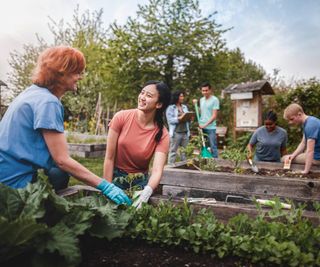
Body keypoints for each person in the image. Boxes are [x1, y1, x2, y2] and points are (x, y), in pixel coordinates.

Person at [0, 46, 131, 205]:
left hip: (4, 170)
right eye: (77, 72)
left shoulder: (31, 93)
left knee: (58, 173)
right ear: (61, 72)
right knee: (60, 172)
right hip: (13, 186)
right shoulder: (48, 102)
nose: (80, 77)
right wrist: (105, 185)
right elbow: (62, 159)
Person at [103, 80, 171, 208]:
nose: (142, 97)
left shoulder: (162, 134)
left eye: (149, 96)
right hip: (115, 176)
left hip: (139, 182)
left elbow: (157, 170)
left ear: (159, 104)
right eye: (142, 93)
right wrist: (108, 187)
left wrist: (147, 191)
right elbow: (109, 158)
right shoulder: (121, 117)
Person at [283, 103, 320, 174]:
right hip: (316, 154)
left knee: (283, 159)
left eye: (292, 119)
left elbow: (310, 151)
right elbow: (303, 143)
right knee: (289, 157)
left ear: (299, 114)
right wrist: (293, 155)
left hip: (317, 158)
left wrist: (305, 171)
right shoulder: (309, 122)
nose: (291, 122)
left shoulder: (310, 126)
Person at [194, 82, 220, 158]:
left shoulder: (215, 100)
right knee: (202, 146)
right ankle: (204, 163)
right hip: (201, 127)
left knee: (213, 147)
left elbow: (214, 116)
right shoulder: (201, 100)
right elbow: (202, 113)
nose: (205, 92)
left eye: (206, 90)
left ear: (210, 90)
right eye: (203, 90)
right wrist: (195, 105)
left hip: (211, 128)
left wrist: (205, 125)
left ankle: (215, 165)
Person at [166, 91, 191, 164]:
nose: (182, 98)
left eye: (183, 96)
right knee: (173, 151)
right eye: (181, 96)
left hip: (185, 132)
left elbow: (187, 120)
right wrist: (179, 118)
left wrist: (190, 119)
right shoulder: (171, 108)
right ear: (176, 97)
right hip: (176, 133)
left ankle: (184, 167)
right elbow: (170, 120)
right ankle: (170, 168)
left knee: (185, 152)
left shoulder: (184, 107)